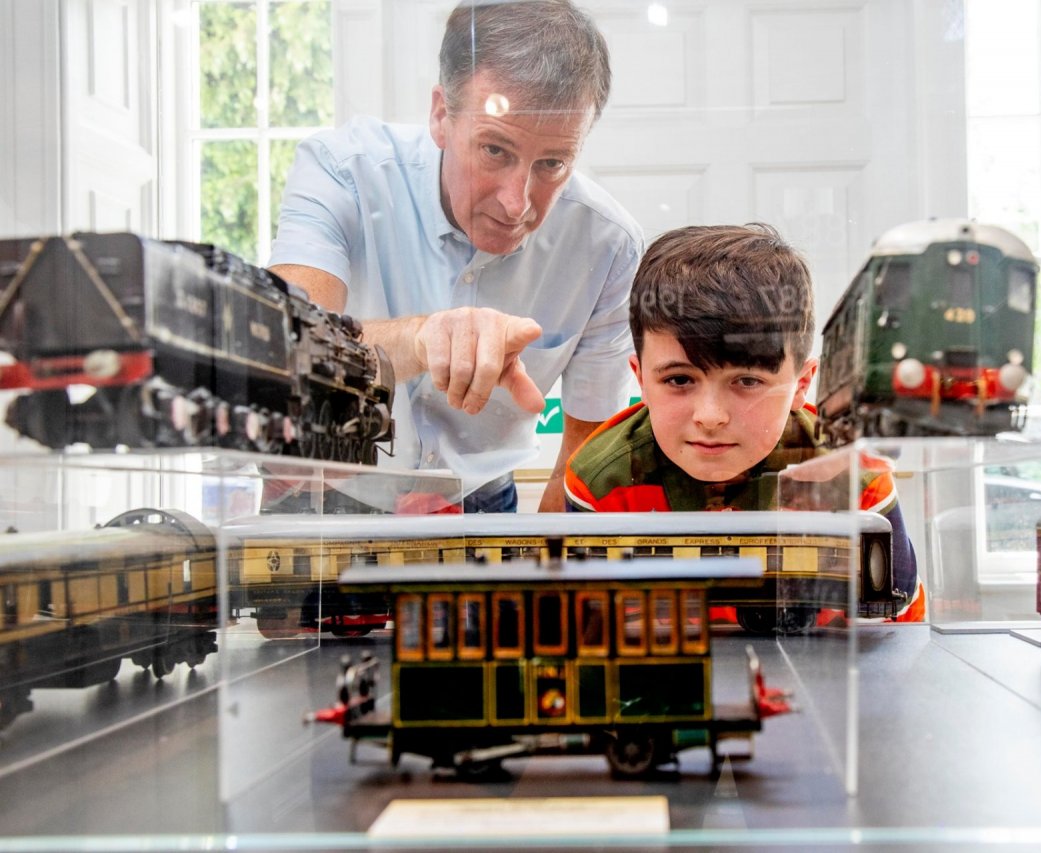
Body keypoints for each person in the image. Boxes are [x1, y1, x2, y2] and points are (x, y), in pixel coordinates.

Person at [268, 0, 642, 513]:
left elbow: (582, 463)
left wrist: (551, 580)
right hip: (324, 494)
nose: (518, 202)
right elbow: (286, 348)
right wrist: (421, 339)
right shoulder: (343, 171)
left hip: (482, 504)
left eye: (552, 163)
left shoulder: (608, 245)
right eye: (495, 151)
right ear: (441, 115)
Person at [564, 224, 923, 621]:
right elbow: (590, 629)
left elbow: (894, 627)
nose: (710, 417)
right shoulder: (599, 479)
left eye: (748, 381)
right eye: (679, 380)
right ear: (641, 379)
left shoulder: (855, 472)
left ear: (801, 384)